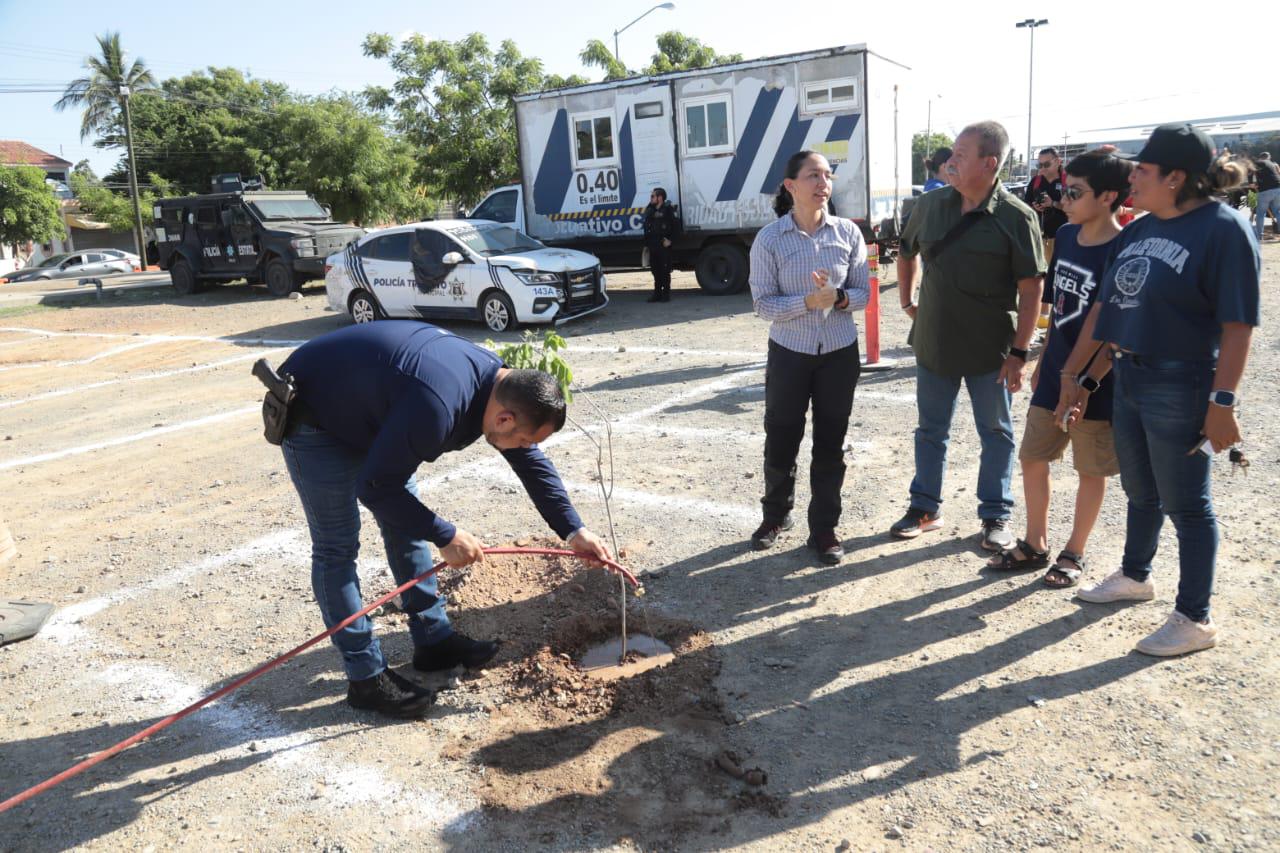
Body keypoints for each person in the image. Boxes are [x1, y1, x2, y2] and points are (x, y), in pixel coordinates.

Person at [277, 321, 613, 717]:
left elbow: (530, 462)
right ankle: (366, 679)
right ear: (505, 419)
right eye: (525, 438)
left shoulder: (499, 383)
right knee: (338, 545)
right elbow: (376, 488)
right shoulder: (436, 407)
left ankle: (433, 642)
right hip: (315, 415)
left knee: (407, 523)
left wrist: (574, 530)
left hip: (371, 405)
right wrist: (445, 534)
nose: (526, 448)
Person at [1056, 123, 1260, 656]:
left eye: (1143, 170)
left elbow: (1239, 326)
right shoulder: (1139, 228)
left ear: (1175, 177)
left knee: (1188, 505)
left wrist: (1222, 402)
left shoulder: (1224, 229)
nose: (1132, 178)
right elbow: (1106, 309)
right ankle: (1135, 575)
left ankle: (1195, 618)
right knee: (1140, 491)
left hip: (1184, 379)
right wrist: (1077, 378)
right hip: (1129, 375)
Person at [890, 120, 1046, 551]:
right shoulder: (930, 205)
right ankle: (925, 507)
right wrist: (907, 303)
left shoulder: (1018, 217)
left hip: (990, 350)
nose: (950, 160)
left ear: (988, 162)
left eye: (961, 154)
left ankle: (995, 515)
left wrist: (1019, 352)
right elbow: (906, 254)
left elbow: (1032, 290)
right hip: (935, 341)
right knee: (930, 430)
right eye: (952, 154)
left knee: (996, 432)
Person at [985, 149, 1133, 588]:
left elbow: (1112, 329)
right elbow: (1060, 308)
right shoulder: (1066, 236)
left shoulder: (1122, 248)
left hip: (1095, 383)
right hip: (1054, 373)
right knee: (1032, 457)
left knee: (1090, 468)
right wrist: (1043, 358)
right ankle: (1035, 542)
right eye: (1064, 189)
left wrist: (1085, 380)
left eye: (1075, 191)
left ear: (1108, 197)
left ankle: (1074, 552)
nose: (1064, 198)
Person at [748, 150, 870, 565]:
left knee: (830, 442)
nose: (823, 184)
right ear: (790, 186)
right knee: (781, 436)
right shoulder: (770, 239)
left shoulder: (848, 234)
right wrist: (807, 300)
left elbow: (863, 293)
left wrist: (836, 298)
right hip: (790, 352)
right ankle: (775, 516)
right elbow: (763, 304)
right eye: (813, 176)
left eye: (828, 176)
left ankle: (824, 528)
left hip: (838, 352)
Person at [642, 188, 679, 302]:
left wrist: (670, 240)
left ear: (660, 197)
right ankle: (657, 294)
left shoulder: (668, 210)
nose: (651, 198)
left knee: (665, 271)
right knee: (655, 271)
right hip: (653, 245)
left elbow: (676, 228)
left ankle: (666, 295)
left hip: (663, 245)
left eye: (653, 196)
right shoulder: (650, 209)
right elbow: (646, 225)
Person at [1251, 151, 1280, 240]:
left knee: (1260, 214)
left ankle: (1259, 236)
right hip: (1278, 189)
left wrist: (1251, 183)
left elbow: (1251, 172)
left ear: (1260, 157)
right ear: (1268, 157)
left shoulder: (1259, 163)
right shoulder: (1273, 164)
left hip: (1265, 191)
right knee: (1277, 212)